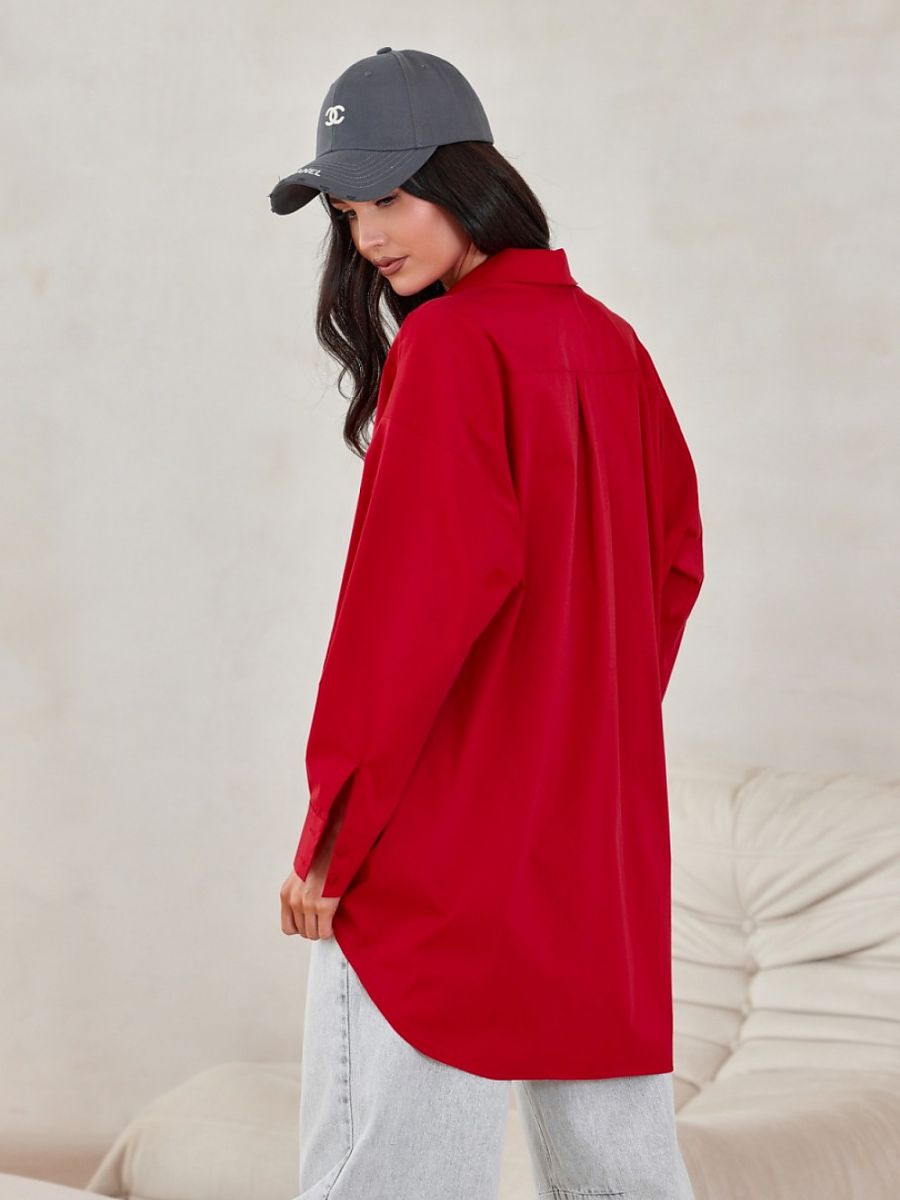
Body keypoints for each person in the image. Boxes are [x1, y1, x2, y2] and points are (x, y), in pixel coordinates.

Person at [272, 46, 703, 1200]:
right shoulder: (612, 346)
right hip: (593, 852)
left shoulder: (452, 345)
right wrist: (576, 722)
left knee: (386, 1179)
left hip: (435, 849)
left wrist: (334, 828)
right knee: (623, 1179)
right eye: (348, 210)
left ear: (466, 179)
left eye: (390, 196)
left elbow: (405, 612)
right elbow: (673, 567)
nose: (370, 235)